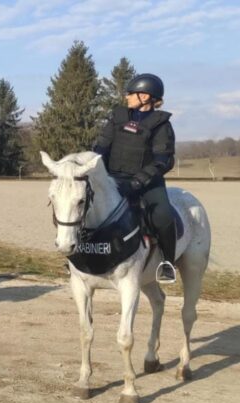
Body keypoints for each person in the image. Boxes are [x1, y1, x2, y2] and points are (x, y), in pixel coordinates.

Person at [93, 73, 177, 283]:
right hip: (114, 177)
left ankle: (167, 262)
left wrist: (138, 181)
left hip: (147, 182)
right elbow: (101, 148)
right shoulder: (117, 117)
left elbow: (162, 161)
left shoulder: (161, 125)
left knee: (163, 214)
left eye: (131, 93)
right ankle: (80, 257)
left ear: (146, 97)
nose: (127, 97)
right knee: (85, 205)